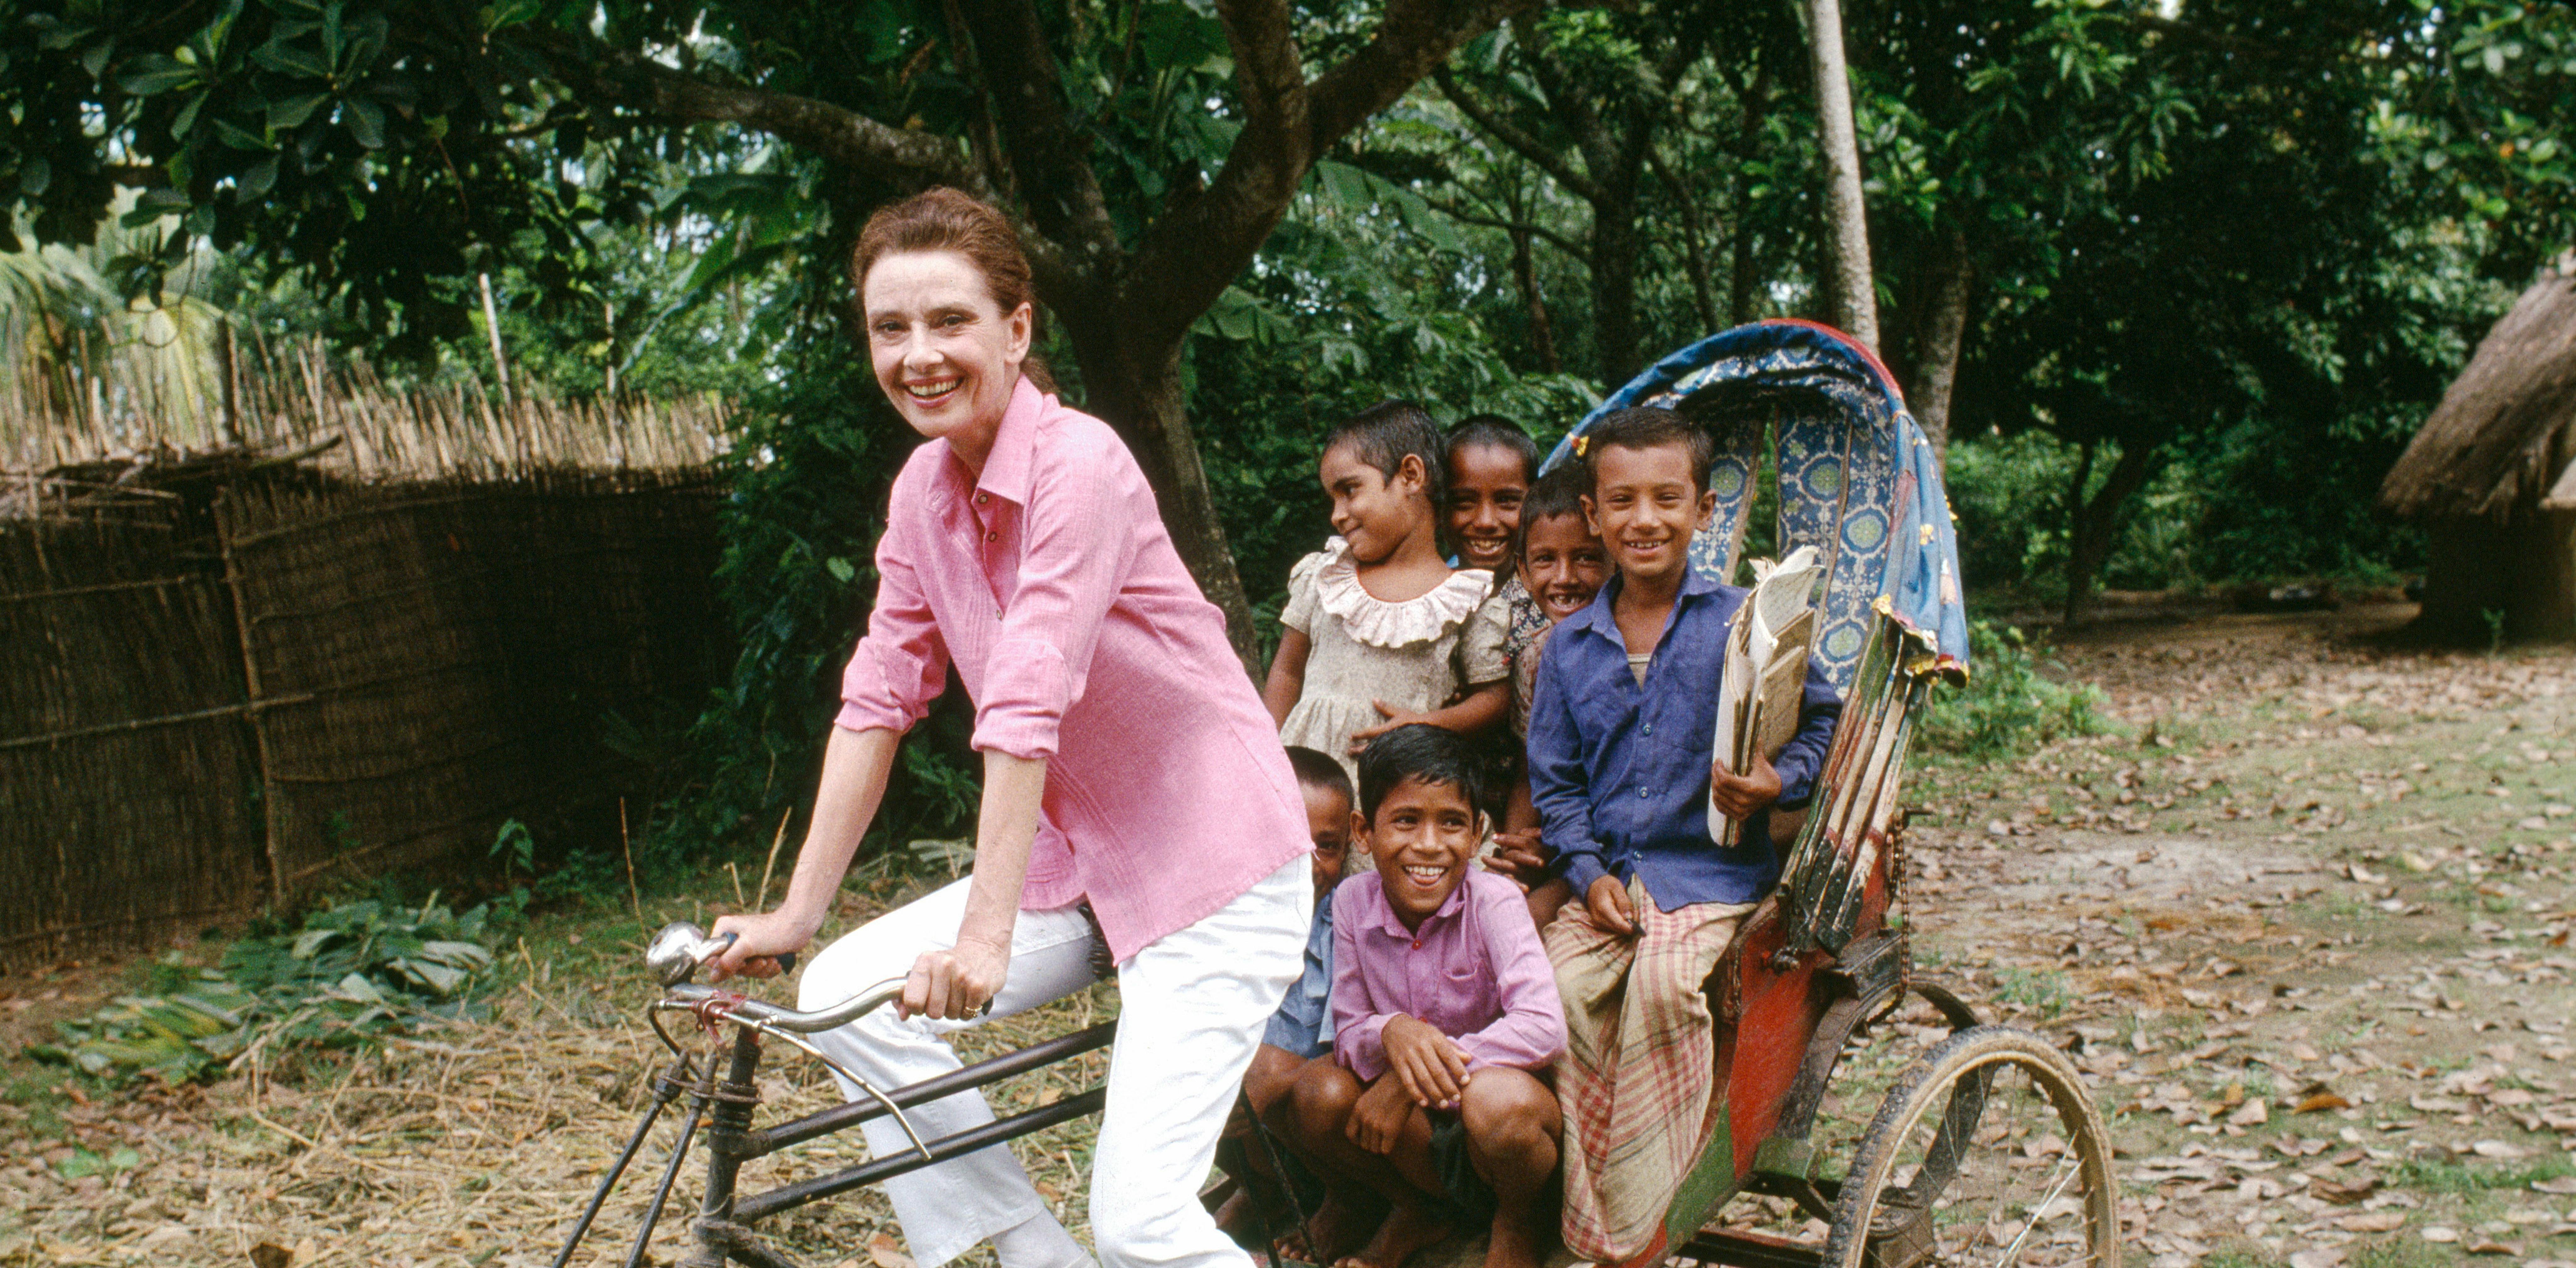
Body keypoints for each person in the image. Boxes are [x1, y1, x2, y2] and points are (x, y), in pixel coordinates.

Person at [708, 187, 1312, 1268]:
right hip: (1081, 862)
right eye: (891, 328)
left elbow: (1029, 699)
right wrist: (798, 912)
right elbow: (877, 698)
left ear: (1017, 330)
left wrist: (983, 939)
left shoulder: (1080, 463)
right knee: (845, 995)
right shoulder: (922, 492)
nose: (919, 354)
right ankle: (1037, 1257)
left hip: (1215, 864)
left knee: (1143, 1227)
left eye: (950, 321)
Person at [1526, 407, 1841, 1263]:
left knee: (1665, 990)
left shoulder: (1744, 623)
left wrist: (1781, 780)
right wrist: (1586, 873)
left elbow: (1823, 720)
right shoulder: (1569, 648)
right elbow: (1557, 786)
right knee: (1547, 990)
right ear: (1593, 514)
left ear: (1703, 511)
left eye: (1668, 499)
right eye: (1621, 501)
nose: (1644, 520)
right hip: (1610, 885)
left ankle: (1641, 1226)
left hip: (1710, 877)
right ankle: (1594, 1217)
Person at [1285, 725, 1565, 1268]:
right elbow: (1348, 1028)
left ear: (1479, 833)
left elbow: (1543, 1025)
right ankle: (1420, 1208)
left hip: (1495, 1128)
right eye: (1406, 820)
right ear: (1364, 831)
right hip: (1414, 1142)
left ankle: (1516, 1218)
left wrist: (1413, 1076)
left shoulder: (1495, 901)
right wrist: (1392, 1031)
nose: (1430, 845)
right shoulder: (1350, 900)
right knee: (1318, 1090)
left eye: (1452, 823)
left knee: (1498, 1103)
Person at [1263, 403, 1506, 785]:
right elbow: (1287, 671)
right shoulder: (1325, 577)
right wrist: (1265, 756)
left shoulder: (1462, 600)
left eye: (1349, 490)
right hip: (1306, 786)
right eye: (1332, 499)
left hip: (1398, 789)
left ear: (1410, 475)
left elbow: (1494, 697)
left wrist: (1431, 724)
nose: (1337, 514)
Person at [1214, 746, 1360, 1246]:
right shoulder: (1227, 913)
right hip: (1246, 1112)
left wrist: (1277, 1076)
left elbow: (1351, 1049)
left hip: (1316, 1114)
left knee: (1260, 1085)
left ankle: (1345, 1202)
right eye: (1291, 840)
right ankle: (1264, 1190)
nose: (1310, 863)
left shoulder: (1346, 922)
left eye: (1328, 845)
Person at [1483, 465, 1609, 928]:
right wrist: (1516, 851)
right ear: (1522, 568)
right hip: (1562, 832)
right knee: (1496, 907)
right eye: (1545, 560)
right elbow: (1530, 770)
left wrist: (1555, 848)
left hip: (1617, 841)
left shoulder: (1631, 649)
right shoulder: (1537, 657)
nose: (1565, 578)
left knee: (1527, 925)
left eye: (1587, 558)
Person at [1443, 414, 1540, 578]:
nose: (1486, 522)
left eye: (1507, 500)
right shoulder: (1423, 599)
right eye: (1464, 502)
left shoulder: (1558, 596)